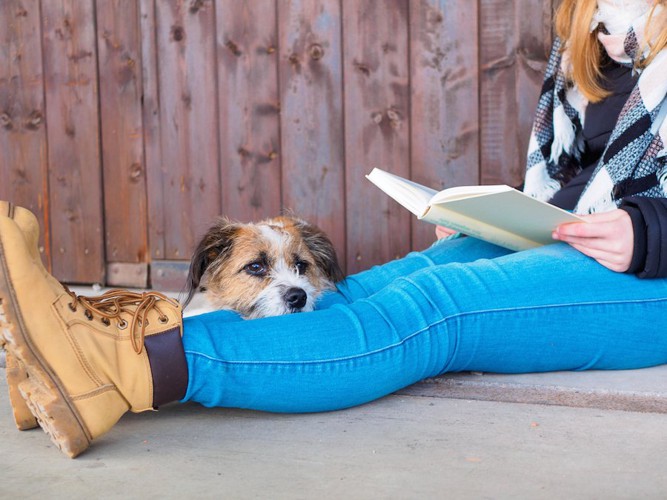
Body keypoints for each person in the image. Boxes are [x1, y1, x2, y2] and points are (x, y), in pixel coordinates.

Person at [1, 0, 666, 458]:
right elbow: (584, 180)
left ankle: (121, 367)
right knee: (366, 288)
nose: (610, 35)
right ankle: (110, 346)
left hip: (653, 271)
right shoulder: (597, 33)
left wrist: (649, 230)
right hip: (577, 235)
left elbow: (641, 200)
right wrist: (488, 216)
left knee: (436, 310)